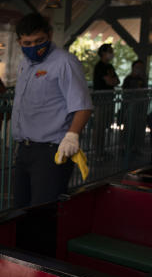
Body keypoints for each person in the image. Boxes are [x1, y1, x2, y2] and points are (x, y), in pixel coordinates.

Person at [11, 13, 92, 207]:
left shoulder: (64, 63)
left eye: (39, 41)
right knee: (20, 208)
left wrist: (72, 136)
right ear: (19, 41)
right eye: (27, 43)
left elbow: (83, 105)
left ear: (50, 34)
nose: (34, 47)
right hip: (25, 148)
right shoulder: (24, 65)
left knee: (44, 211)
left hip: (52, 151)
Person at [92, 43, 119, 157]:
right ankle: (97, 151)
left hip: (109, 99)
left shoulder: (110, 67)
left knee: (105, 126)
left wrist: (112, 80)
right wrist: (112, 81)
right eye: (110, 51)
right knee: (99, 126)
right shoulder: (100, 66)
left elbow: (117, 81)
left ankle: (102, 150)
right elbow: (110, 81)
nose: (111, 53)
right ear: (103, 53)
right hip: (101, 100)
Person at [121, 60, 149, 153]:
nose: (139, 70)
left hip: (140, 107)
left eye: (141, 68)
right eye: (138, 67)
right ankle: (126, 146)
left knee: (138, 127)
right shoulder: (128, 79)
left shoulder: (142, 80)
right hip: (130, 107)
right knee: (129, 127)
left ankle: (135, 147)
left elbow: (145, 91)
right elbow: (124, 92)